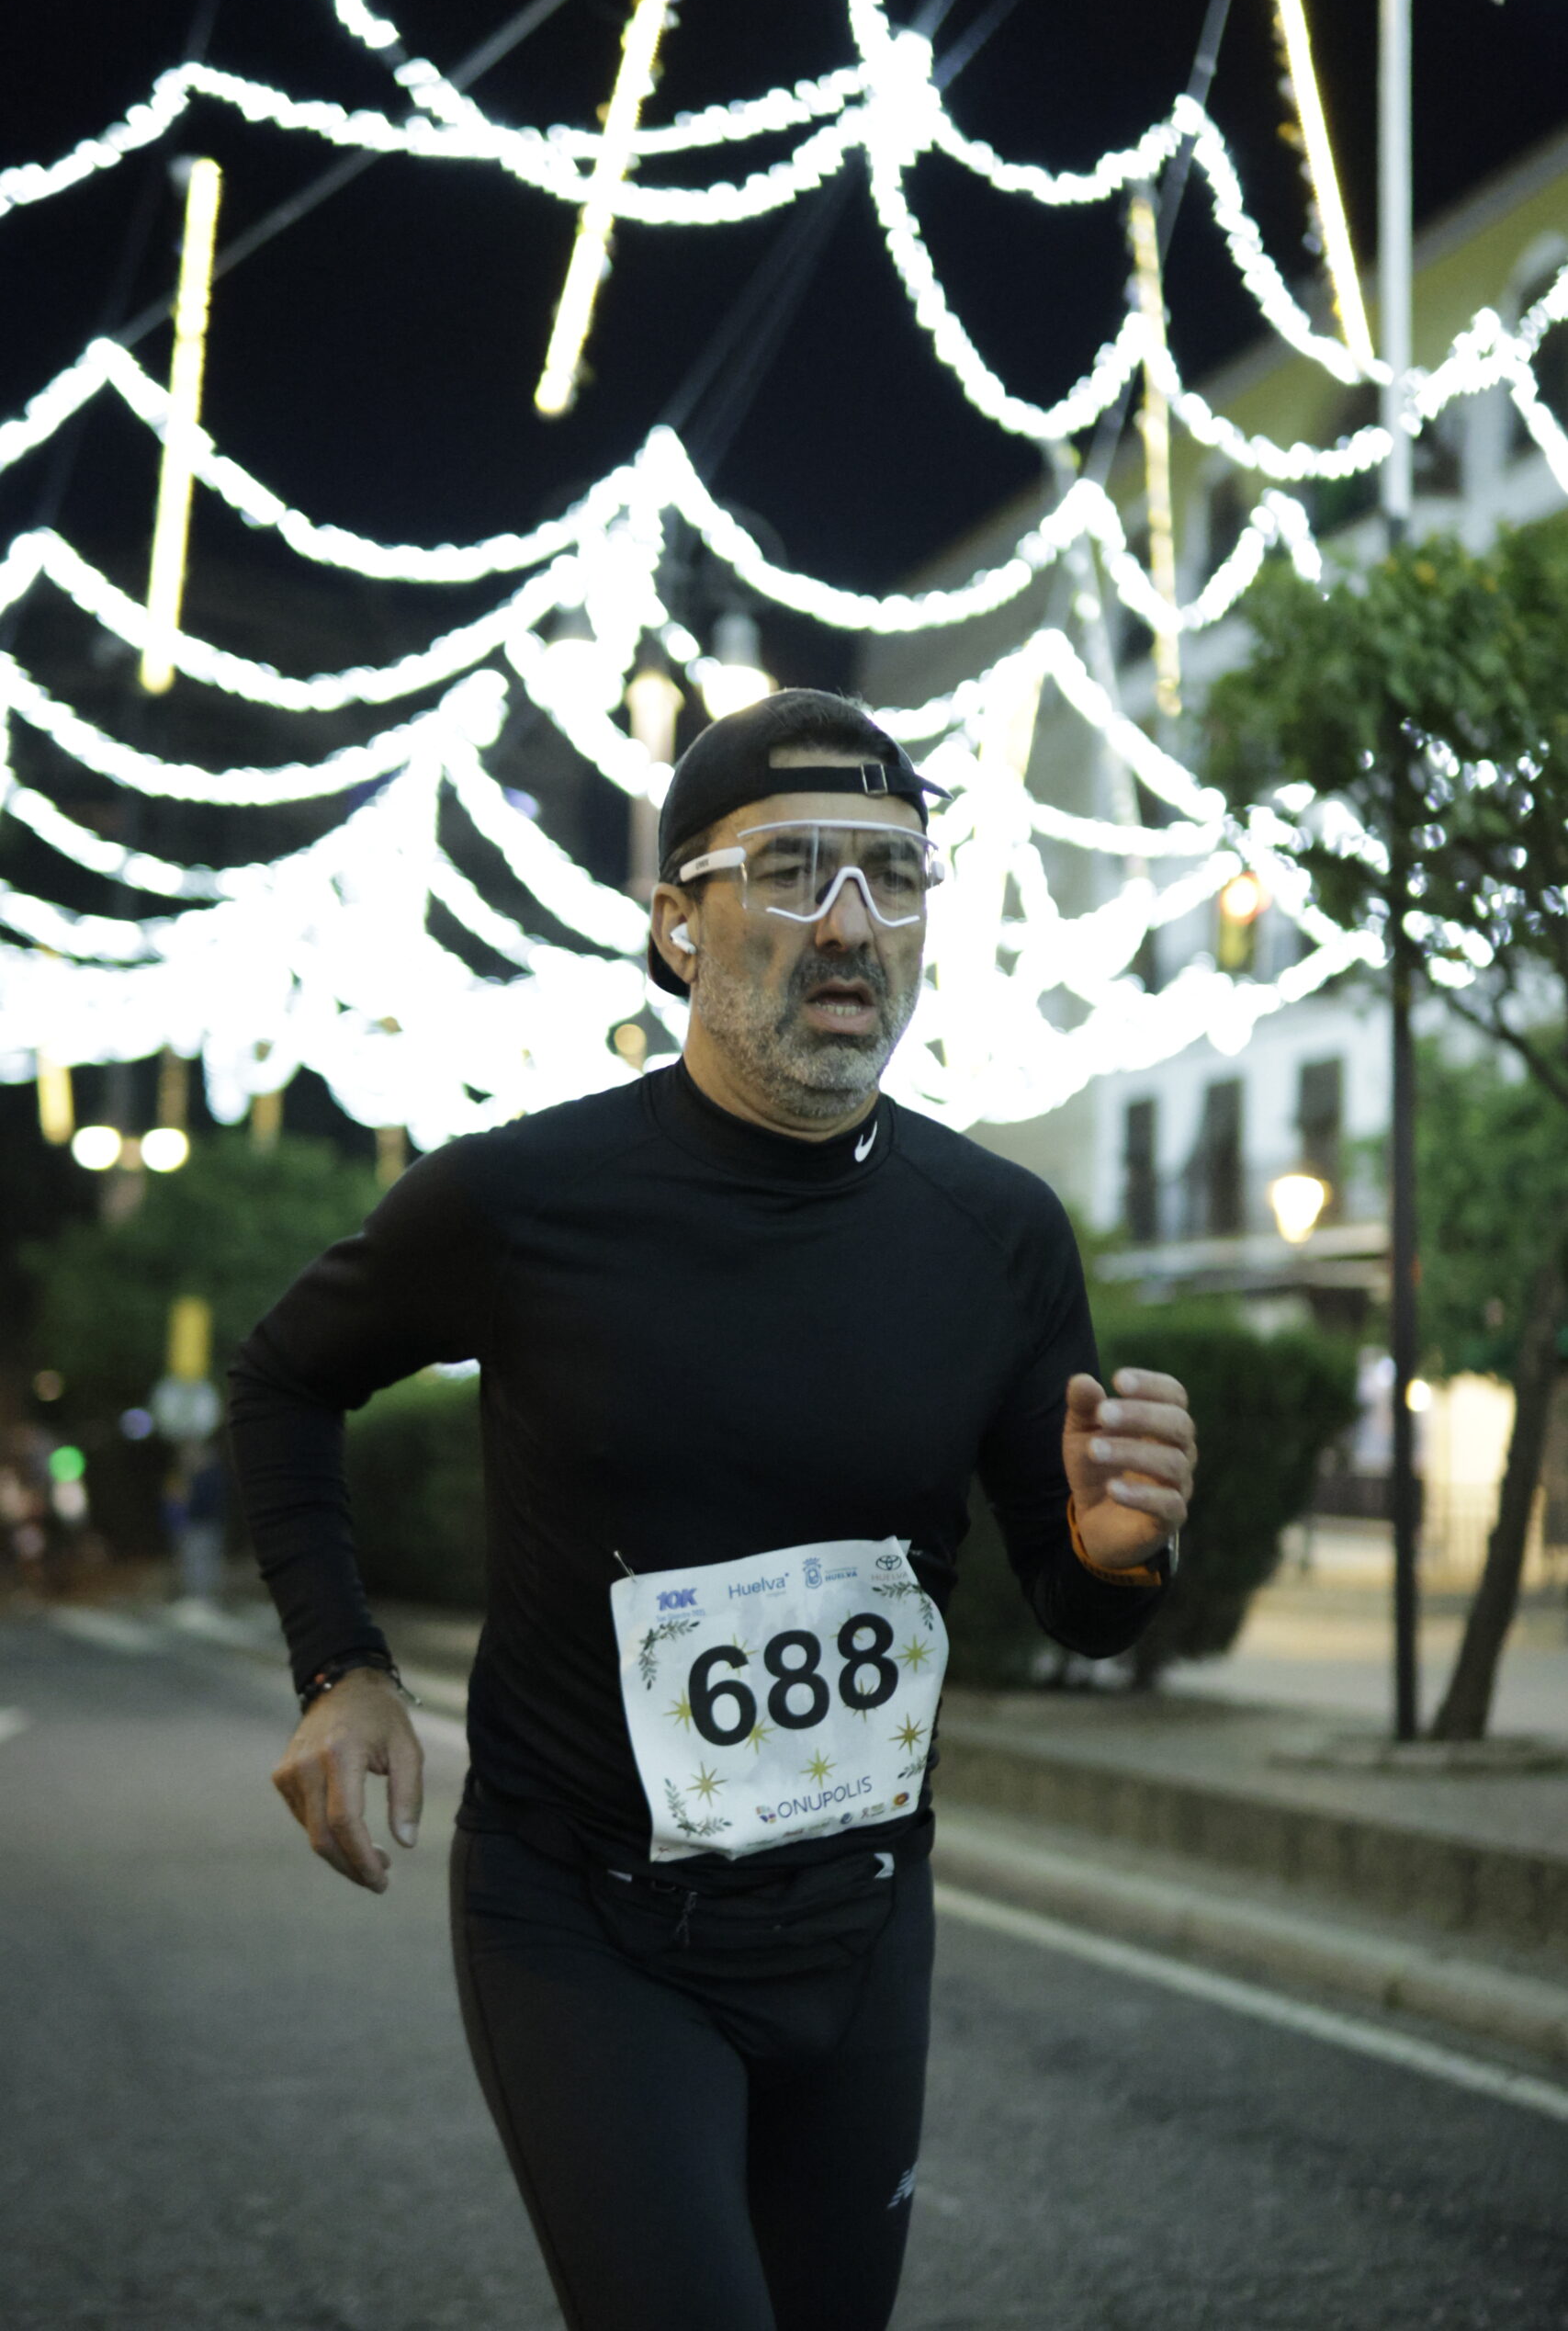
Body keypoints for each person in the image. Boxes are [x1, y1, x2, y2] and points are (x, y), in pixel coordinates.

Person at [228, 687, 1197, 2331]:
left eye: (897, 876)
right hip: (585, 1928)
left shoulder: (998, 1233)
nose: (853, 923)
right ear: (678, 925)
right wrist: (344, 1668)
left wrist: (1122, 1554)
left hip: (864, 1923)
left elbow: (1077, 1603)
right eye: (797, 870)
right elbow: (282, 1378)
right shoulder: (524, 1200)